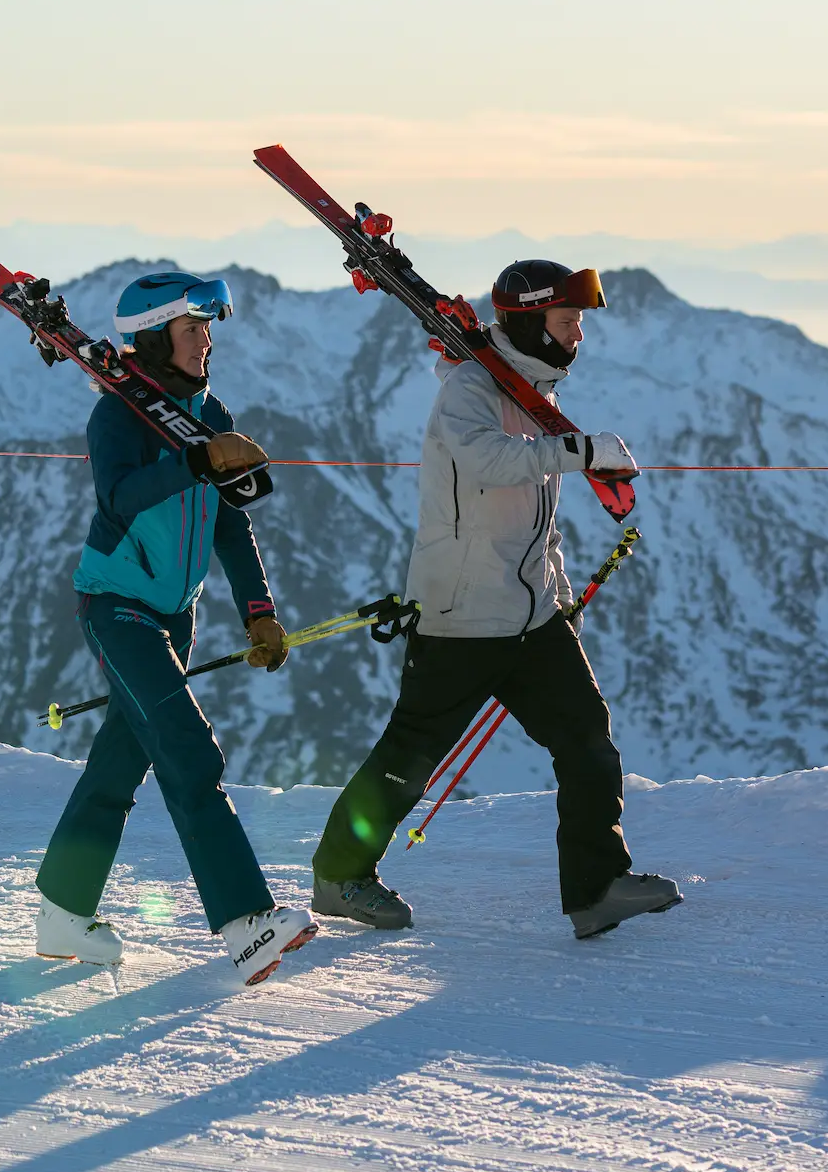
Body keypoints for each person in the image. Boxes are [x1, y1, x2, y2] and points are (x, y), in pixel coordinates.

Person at [309, 260, 681, 939]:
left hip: (530, 614)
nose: (577, 337)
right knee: (411, 756)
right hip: (462, 614)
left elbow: (535, 511)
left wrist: (558, 588)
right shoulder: (472, 390)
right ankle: (339, 876)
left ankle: (597, 888)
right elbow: (488, 462)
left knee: (585, 737)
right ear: (529, 321)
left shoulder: (532, 393)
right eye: (567, 322)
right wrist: (581, 448)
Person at [33, 271, 317, 986]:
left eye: (207, 327)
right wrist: (194, 459)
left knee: (121, 763)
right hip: (115, 605)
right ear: (158, 339)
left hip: (173, 614)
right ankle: (246, 922)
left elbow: (228, 516)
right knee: (189, 750)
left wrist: (259, 609)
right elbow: (121, 498)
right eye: (194, 329)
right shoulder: (117, 418)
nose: (207, 339)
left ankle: (63, 910)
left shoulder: (207, 410)